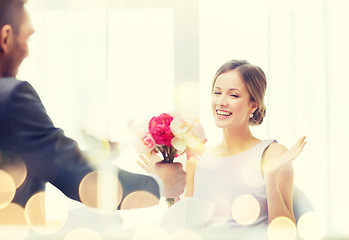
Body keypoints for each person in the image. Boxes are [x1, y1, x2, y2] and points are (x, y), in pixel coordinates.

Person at [0, 0, 186, 212]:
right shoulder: (12, 96)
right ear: (6, 37)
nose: (27, 52)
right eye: (26, 38)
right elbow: (81, 178)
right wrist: (159, 185)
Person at [138, 60, 306, 228]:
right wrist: (166, 186)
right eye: (217, 93)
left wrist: (269, 177)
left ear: (253, 105)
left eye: (233, 95)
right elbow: (185, 226)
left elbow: (285, 232)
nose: (221, 102)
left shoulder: (272, 154)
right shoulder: (197, 160)